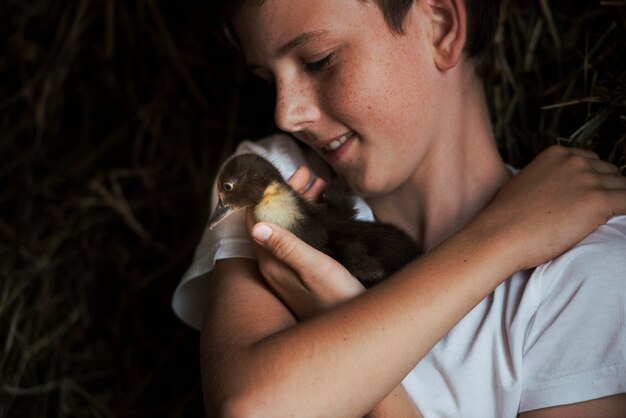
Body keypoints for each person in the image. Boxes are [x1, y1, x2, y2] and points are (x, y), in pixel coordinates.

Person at [172, 0, 626, 416]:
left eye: (318, 60)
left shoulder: (584, 275)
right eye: (267, 81)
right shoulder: (272, 178)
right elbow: (250, 408)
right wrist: (503, 238)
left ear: (441, 25)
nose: (286, 114)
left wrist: (332, 311)